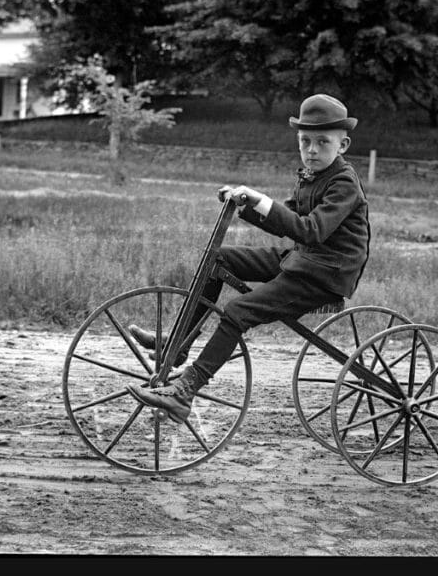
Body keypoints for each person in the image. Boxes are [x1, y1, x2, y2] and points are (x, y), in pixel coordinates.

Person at [126, 94, 370, 424]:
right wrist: (247, 202)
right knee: (219, 260)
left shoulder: (344, 183)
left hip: (325, 276)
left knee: (238, 311)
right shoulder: (312, 176)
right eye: (305, 141)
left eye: (322, 142)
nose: (312, 150)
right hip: (302, 259)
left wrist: (261, 201)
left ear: (343, 145)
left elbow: (309, 230)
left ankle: (185, 391)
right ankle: (179, 343)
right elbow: (288, 218)